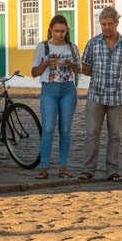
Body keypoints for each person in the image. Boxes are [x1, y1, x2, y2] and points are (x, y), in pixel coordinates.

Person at [79, 6, 122, 182]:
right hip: (96, 95)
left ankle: (112, 170)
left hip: (118, 96)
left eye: (109, 24)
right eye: (103, 24)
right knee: (92, 133)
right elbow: (86, 68)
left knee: (115, 135)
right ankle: (88, 170)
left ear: (117, 23)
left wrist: (118, 81)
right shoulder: (93, 43)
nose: (106, 27)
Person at [30, 14, 80, 179]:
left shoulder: (72, 48)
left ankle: (63, 167)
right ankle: (44, 167)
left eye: (63, 31)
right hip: (49, 90)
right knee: (48, 129)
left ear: (67, 31)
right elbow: (33, 72)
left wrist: (72, 66)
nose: (60, 34)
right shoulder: (43, 47)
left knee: (65, 130)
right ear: (51, 30)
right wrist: (45, 64)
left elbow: (79, 70)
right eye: (57, 31)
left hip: (68, 89)